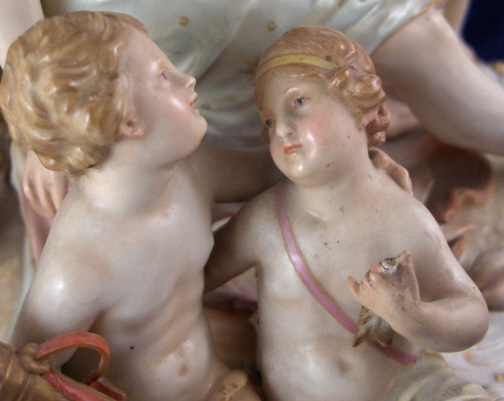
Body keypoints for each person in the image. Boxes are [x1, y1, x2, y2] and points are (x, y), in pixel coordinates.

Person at [0, 11, 284, 401]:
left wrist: (349, 141)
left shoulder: (192, 173)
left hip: (218, 383)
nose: (188, 79)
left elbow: (271, 171)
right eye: (164, 75)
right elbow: (26, 377)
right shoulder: (77, 270)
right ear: (127, 119)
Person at [205, 26, 491, 401]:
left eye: (299, 102)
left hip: (399, 389)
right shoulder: (265, 221)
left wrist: (412, 315)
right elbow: (191, 280)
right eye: (270, 120)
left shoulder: (402, 218)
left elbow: (472, 315)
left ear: (363, 106)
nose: (282, 129)